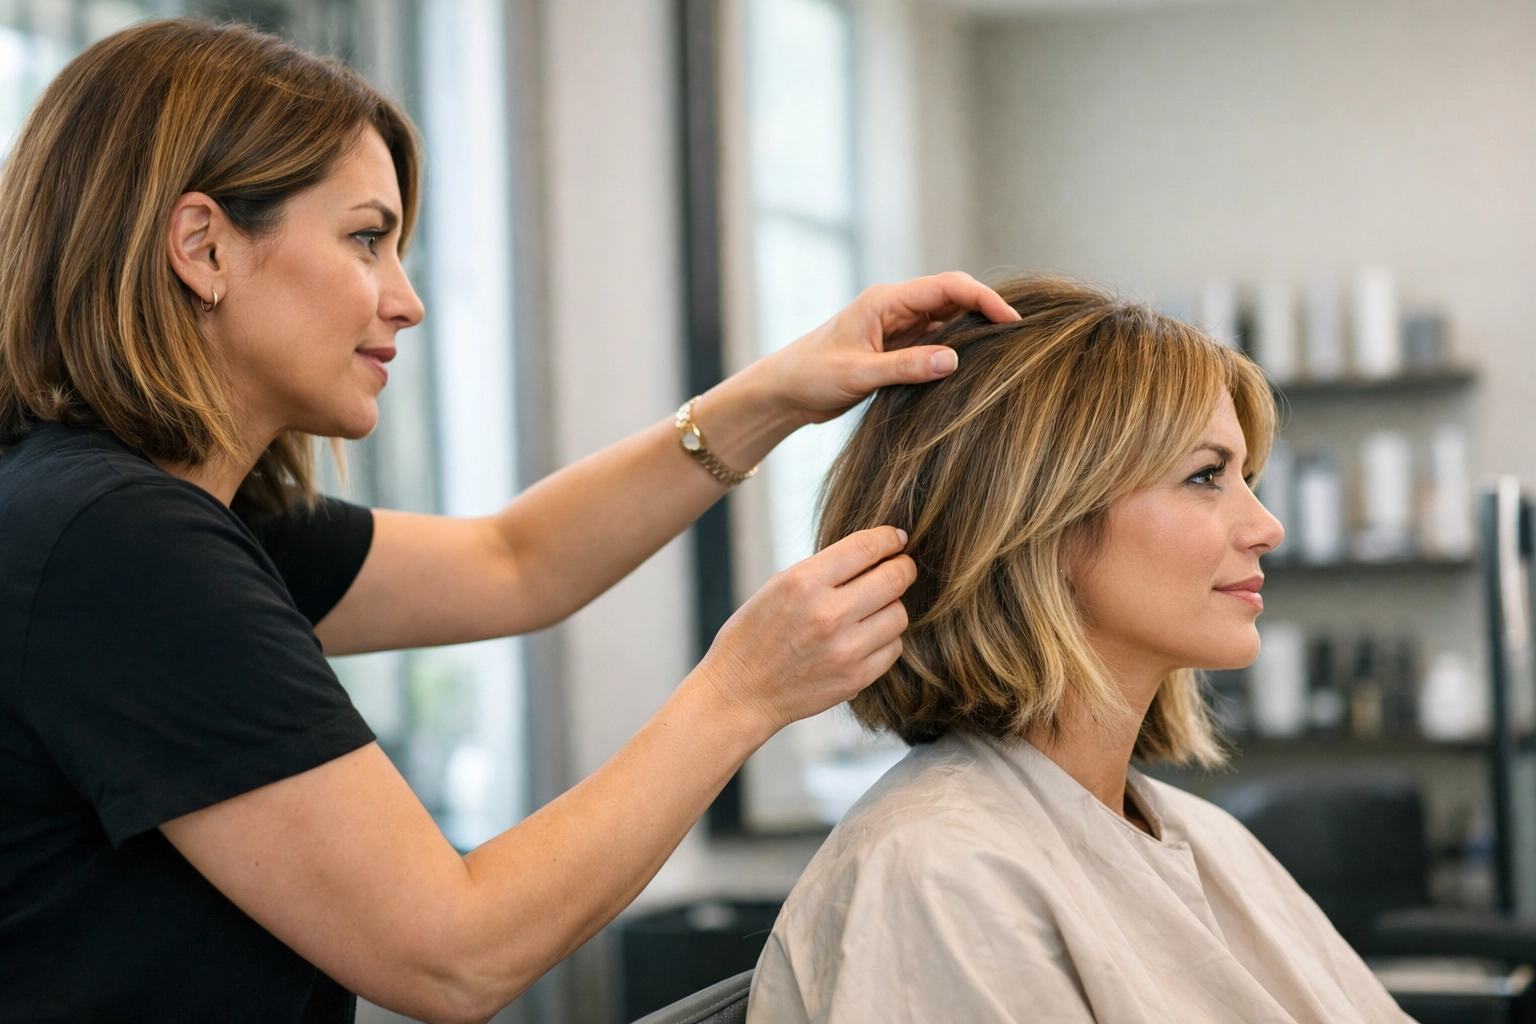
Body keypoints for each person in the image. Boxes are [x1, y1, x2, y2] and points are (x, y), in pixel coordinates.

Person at [0, 19, 1022, 1024]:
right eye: (367, 238)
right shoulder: (122, 544)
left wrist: (783, 390)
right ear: (202, 244)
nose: (407, 300)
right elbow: (456, 953)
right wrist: (743, 692)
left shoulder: (146, 515)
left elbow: (514, 563)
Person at [747, 277, 1413, 1024]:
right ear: (1040, 522)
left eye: (1246, 478)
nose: (1268, 527)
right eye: (1206, 477)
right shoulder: (940, 877)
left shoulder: (1198, 834)